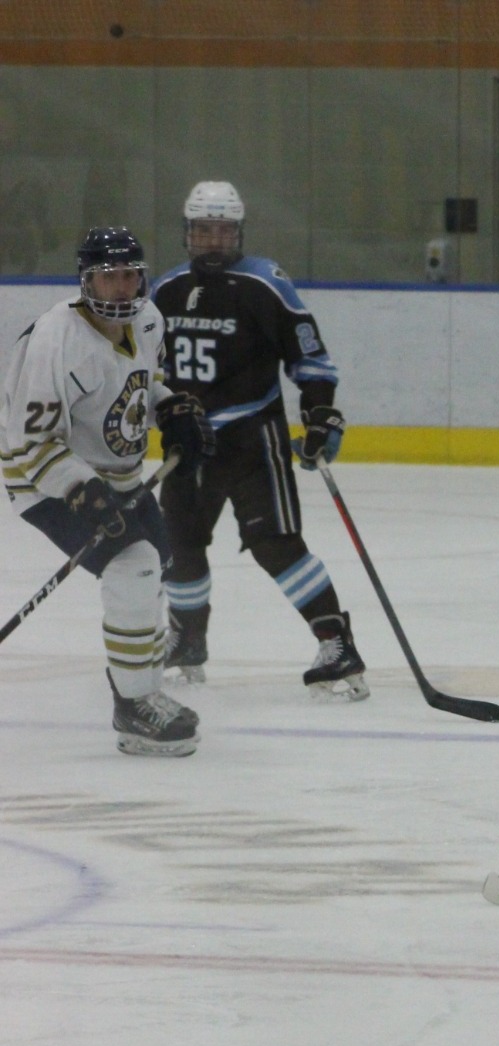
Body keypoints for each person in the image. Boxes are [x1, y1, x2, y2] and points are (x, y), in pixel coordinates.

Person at [1, 227, 215, 755]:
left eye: (129, 275)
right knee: (133, 565)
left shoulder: (148, 318)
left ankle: (139, 675)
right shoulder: (56, 340)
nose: (121, 286)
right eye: (108, 276)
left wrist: (166, 405)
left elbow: (138, 382)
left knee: (154, 563)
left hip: (115, 473)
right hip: (44, 477)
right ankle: (134, 703)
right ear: (86, 280)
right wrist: (81, 491)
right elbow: (31, 441)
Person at [151, 181, 367, 700]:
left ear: (238, 232)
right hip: (190, 442)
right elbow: (146, 366)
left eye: (222, 231)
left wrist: (319, 415)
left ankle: (337, 643)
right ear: (187, 232)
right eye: (202, 230)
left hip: (252, 439)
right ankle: (187, 640)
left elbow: (309, 357)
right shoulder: (166, 289)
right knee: (178, 546)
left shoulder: (265, 282)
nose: (212, 241)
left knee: (277, 545)